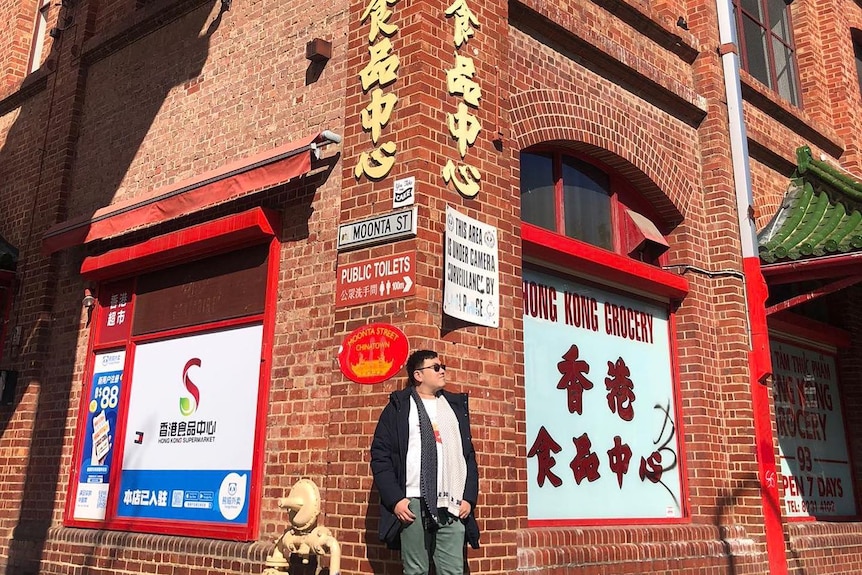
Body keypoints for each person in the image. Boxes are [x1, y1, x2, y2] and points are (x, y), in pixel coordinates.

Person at [370, 349, 480, 575]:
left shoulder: (454, 407)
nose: (442, 371)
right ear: (418, 375)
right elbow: (380, 456)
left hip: (451, 503)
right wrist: (396, 500)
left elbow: (467, 455)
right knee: (416, 571)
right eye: (436, 367)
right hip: (412, 502)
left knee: (453, 570)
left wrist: (468, 497)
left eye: (443, 367)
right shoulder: (399, 408)